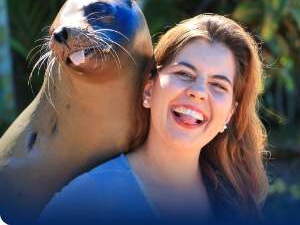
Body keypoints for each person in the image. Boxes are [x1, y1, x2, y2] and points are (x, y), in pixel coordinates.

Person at [37, 14, 269, 225]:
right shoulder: (89, 199)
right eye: (184, 74)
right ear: (149, 89)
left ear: (229, 113)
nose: (198, 92)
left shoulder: (236, 200)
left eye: (218, 85)